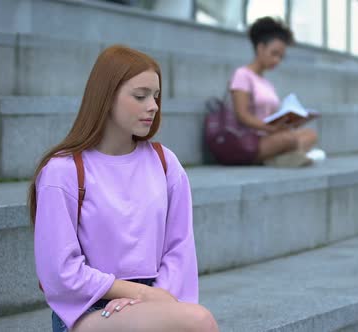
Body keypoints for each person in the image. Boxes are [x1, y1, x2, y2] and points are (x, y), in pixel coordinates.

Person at [28, 45, 219, 332]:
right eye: (140, 96)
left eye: (156, 96)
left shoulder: (165, 163)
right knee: (200, 322)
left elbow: (179, 250)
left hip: (158, 296)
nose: (153, 106)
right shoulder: (62, 171)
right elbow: (59, 271)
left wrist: (153, 297)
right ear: (106, 97)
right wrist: (136, 293)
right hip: (89, 307)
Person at [229, 16, 321, 167]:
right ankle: (288, 155)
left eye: (281, 57)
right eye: (274, 53)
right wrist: (269, 128)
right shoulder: (242, 75)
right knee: (288, 140)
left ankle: (283, 156)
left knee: (310, 135)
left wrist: (290, 122)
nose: (277, 60)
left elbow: (271, 116)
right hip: (252, 140)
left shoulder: (267, 83)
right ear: (260, 48)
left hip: (271, 135)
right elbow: (242, 115)